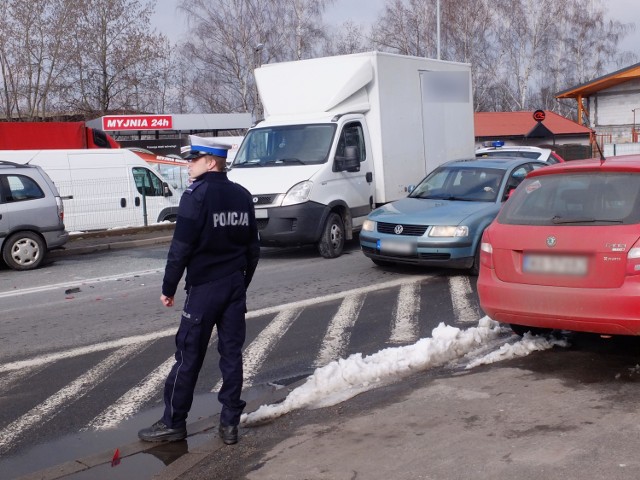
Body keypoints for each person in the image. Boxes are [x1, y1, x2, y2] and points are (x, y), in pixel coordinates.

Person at [138, 136, 260, 446]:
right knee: (232, 357)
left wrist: (169, 287)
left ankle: (173, 422)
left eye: (193, 160)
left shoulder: (195, 196)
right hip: (233, 286)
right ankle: (230, 425)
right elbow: (253, 249)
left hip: (205, 288)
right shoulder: (242, 196)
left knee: (188, 356)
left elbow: (181, 247)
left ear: (210, 162)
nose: (188, 165)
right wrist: (240, 284)